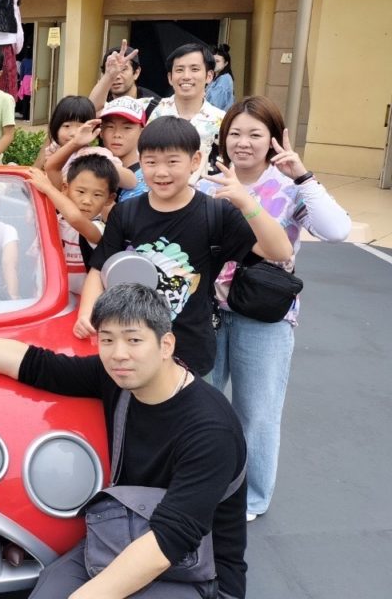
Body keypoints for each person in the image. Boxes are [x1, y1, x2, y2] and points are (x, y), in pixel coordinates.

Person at [0, 283, 250, 599]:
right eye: (107, 339)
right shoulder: (116, 379)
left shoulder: (209, 430)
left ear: (166, 345)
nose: (118, 354)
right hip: (122, 533)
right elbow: (32, 363)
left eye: (134, 340)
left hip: (197, 570)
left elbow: (168, 542)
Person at [197, 96, 349, 521]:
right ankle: (201, 488)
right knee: (202, 406)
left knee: (258, 414)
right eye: (235, 133)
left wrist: (302, 174)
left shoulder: (288, 187)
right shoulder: (206, 183)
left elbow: (337, 230)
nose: (243, 143)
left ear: (274, 139)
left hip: (265, 316)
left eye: (255, 134)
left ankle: (251, 498)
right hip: (208, 311)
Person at [75, 116, 294, 376]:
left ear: (195, 160)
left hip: (191, 353)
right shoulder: (126, 213)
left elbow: (280, 252)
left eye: (172, 161)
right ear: (140, 162)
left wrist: (247, 204)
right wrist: (87, 314)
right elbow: (100, 268)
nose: (161, 172)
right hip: (132, 351)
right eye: (151, 162)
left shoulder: (216, 213)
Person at [28, 155, 119, 294]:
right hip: (48, 295)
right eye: (81, 192)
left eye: (97, 195)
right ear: (66, 188)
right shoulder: (54, 219)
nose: (87, 201)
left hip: (81, 299)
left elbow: (75, 219)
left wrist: (48, 187)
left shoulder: (99, 228)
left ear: (109, 199)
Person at [148, 43, 226, 182]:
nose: (186, 76)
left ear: (209, 76)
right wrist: (110, 77)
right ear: (170, 77)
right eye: (179, 70)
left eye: (194, 69)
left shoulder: (222, 121)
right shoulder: (149, 109)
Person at [100, 96, 149, 202]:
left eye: (127, 128)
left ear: (142, 132)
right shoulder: (90, 165)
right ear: (101, 131)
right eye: (110, 127)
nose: (117, 134)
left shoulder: (147, 175)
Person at [89, 40, 160, 112]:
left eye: (123, 69)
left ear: (136, 73)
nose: (117, 76)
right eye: (111, 70)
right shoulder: (101, 100)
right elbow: (90, 111)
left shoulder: (153, 105)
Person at [206, 44, 235, 111]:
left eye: (217, 61)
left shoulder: (224, 79)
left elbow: (215, 105)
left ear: (226, 63)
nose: (214, 64)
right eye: (213, 61)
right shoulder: (216, 78)